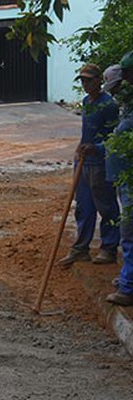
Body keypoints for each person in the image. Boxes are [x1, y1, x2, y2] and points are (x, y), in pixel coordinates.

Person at [57, 64, 121, 266]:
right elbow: (87, 132)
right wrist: (79, 149)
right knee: (83, 206)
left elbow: (114, 137)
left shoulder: (108, 105)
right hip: (83, 161)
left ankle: (109, 248)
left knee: (106, 206)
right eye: (82, 81)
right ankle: (80, 248)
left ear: (99, 80)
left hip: (100, 162)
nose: (85, 84)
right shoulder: (86, 102)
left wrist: (97, 148)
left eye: (89, 80)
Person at [106, 51, 133, 306]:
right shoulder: (128, 104)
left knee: (129, 231)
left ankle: (128, 287)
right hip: (124, 177)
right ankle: (128, 278)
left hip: (130, 178)